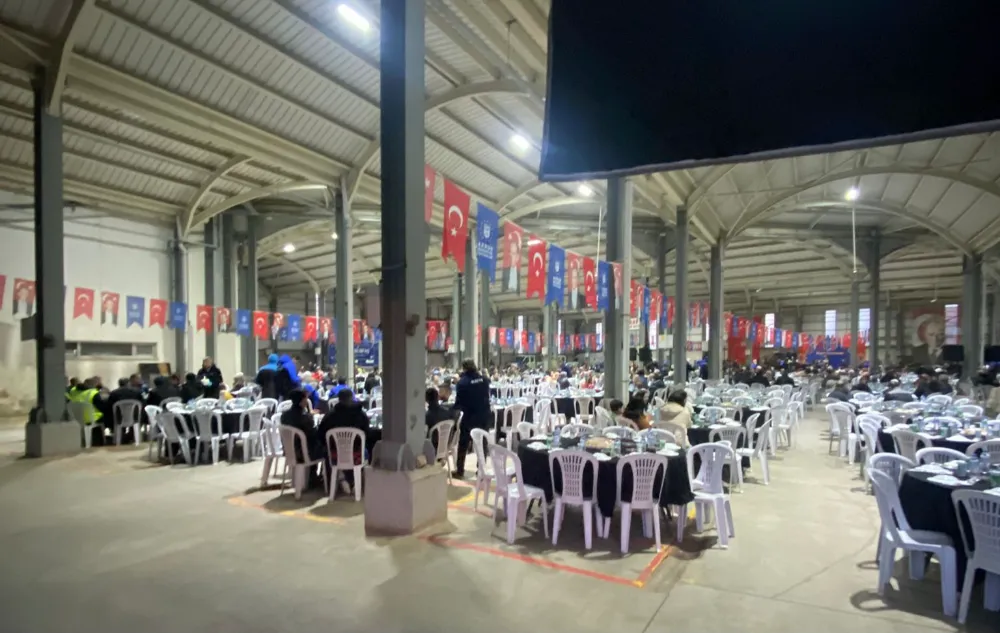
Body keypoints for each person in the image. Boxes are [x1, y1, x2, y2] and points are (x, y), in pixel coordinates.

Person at [317, 388, 370, 492]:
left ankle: (339, 478)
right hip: (356, 454)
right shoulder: (360, 414)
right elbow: (367, 433)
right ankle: (361, 481)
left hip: (335, 455)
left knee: (326, 450)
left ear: (339, 399)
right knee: (369, 448)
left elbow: (321, 434)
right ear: (352, 398)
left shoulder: (330, 415)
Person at [452, 359, 491, 478]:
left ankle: (460, 470)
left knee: (463, 444)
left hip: (470, 417)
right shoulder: (484, 380)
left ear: (464, 368)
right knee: (482, 444)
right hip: (484, 416)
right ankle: (481, 470)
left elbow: (458, 403)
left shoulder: (462, 383)